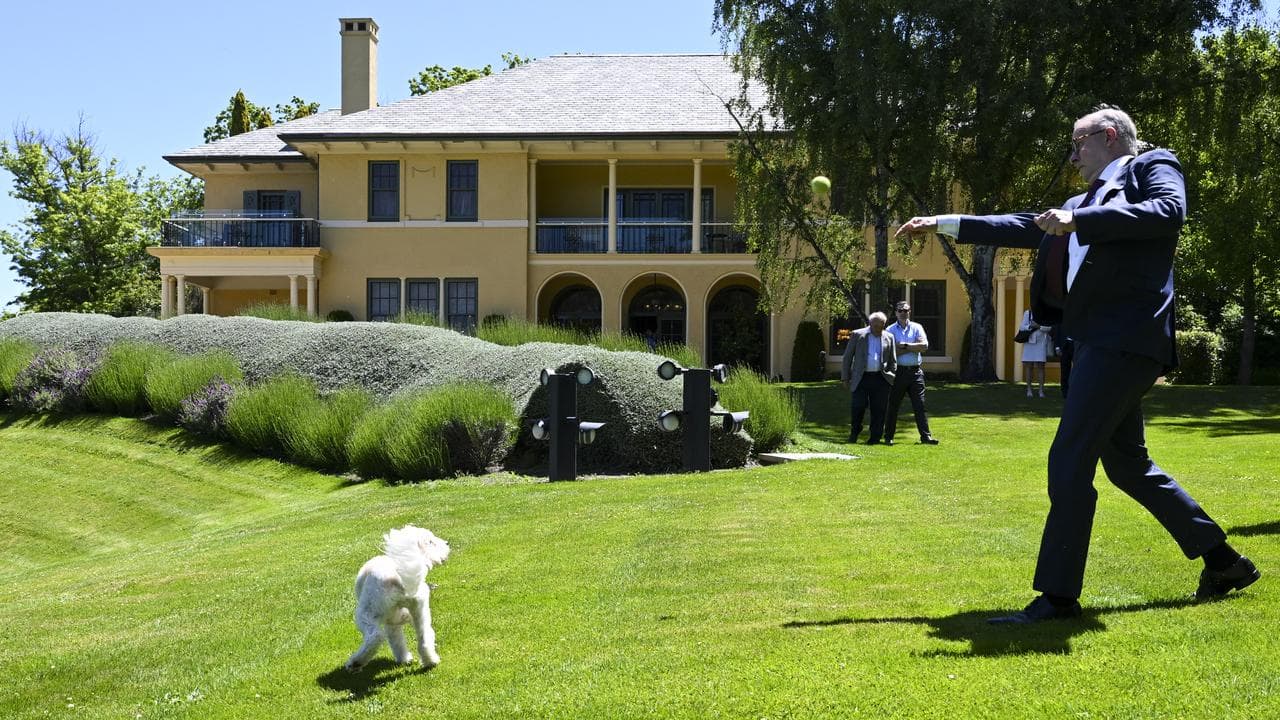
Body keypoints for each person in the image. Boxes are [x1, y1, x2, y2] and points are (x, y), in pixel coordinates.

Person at [895, 105, 1258, 624]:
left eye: (1077, 144)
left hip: (1123, 339)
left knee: (1069, 458)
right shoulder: (1078, 202)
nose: (1072, 157)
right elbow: (1024, 225)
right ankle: (1224, 562)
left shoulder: (1151, 166)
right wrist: (942, 223)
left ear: (1109, 136)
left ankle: (1059, 598)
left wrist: (1078, 221)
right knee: (1129, 467)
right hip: (1090, 344)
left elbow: (1167, 212)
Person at [885, 301, 939, 444]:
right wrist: (913, 347)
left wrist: (904, 346)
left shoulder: (917, 327)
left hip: (916, 373)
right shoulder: (890, 330)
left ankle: (926, 437)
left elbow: (924, 346)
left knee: (920, 405)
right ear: (896, 313)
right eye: (900, 310)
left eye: (906, 310)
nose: (903, 313)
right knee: (893, 406)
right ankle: (889, 437)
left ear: (910, 312)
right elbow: (890, 352)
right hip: (898, 373)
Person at [840, 311, 897, 445]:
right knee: (858, 406)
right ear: (870, 324)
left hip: (881, 378)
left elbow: (892, 359)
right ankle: (855, 432)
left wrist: (891, 375)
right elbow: (847, 357)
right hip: (861, 378)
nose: (878, 329)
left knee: (879, 409)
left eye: (881, 326)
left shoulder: (889, 337)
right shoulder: (858, 335)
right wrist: (845, 378)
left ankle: (875, 437)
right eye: (876, 326)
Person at [1019, 309, 1052, 398]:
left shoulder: (1046, 313)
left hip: (1041, 343)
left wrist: (1039, 326)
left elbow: (1049, 328)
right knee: (1029, 366)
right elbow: (1022, 327)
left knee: (1041, 366)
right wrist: (1030, 326)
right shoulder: (1028, 313)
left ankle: (1041, 390)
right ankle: (1029, 389)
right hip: (1029, 343)